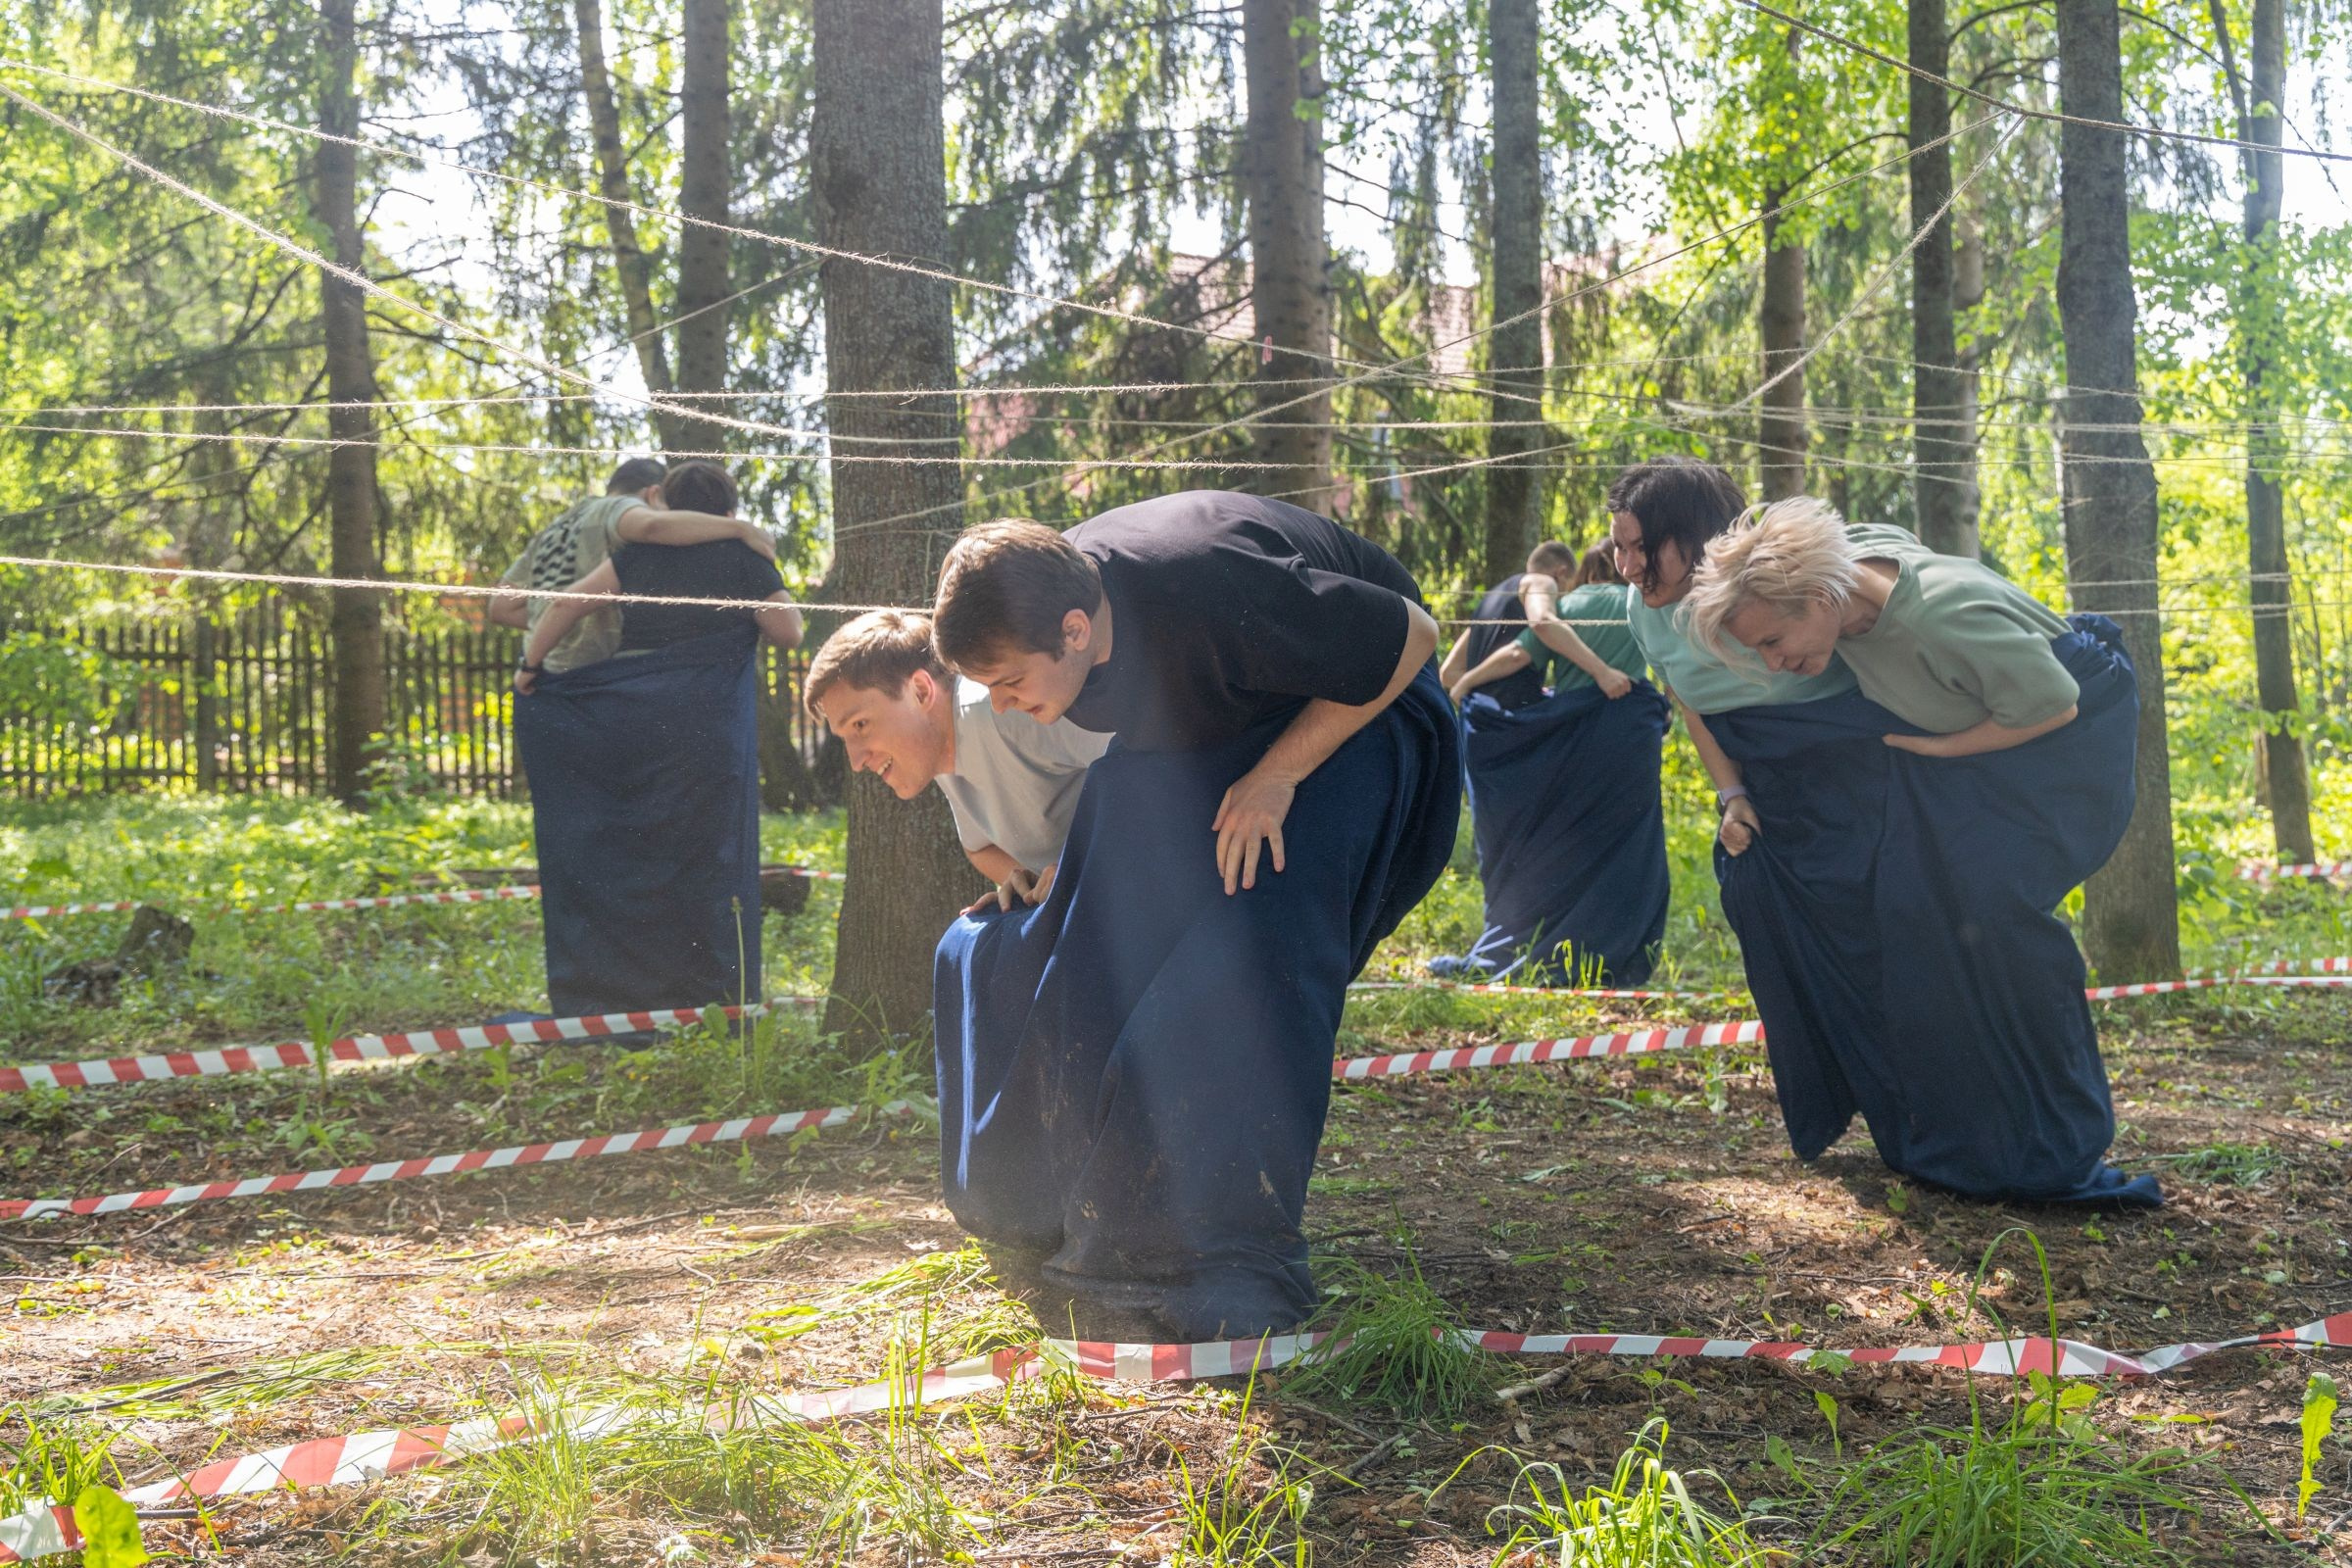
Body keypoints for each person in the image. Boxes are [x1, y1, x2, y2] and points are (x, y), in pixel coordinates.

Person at [926, 490, 1460, 1342]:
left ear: (1074, 630)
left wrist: (1279, 776)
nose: (999, 704)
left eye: (1010, 683)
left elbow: (1413, 638)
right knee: (1097, 917)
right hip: (1221, 730)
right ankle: (1044, 1197)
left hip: (1367, 711)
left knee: (1248, 953)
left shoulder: (1201, 585)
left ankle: (1215, 1254)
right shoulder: (1052, 608)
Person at [1607, 458, 2154, 1206]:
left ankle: (2052, 1144)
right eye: (1619, 549)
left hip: (2036, 749)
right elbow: (1710, 687)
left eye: (1643, 545)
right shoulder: (1822, 608)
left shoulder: (1925, 610)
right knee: (1908, 926)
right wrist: (1735, 793)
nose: (1773, 665)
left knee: (1986, 921)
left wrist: (1931, 753)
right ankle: (1948, 1135)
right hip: (1954, 740)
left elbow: (2049, 705)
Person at [508, 461, 801, 1020]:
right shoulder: (745, 557)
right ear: (731, 510)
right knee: (705, 853)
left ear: (666, 501)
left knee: (630, 848)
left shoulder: (640, 555)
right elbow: (788, 632)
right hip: (705, 729)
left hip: (632, 717)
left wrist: (530, 667)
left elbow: (568, 602)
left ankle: (618, 995)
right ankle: (705, 999)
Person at [1431, 542, 1670, 985]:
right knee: (1623, 847)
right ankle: (1613, 953)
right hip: (1630, 735)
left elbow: (1517, 652)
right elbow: (1673, 664)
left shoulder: (1538, 601)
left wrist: (1465, 686)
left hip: (1551, 739)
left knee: (1541, 847)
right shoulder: (1644, 606)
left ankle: (1513, 948)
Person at [804, 610, 1111, 914]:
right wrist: (1027, 882)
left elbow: (1149, 761)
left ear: (920, 692)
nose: (856, 762)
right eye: (845, 738)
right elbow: (979, 847)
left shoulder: (1003, 710)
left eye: (860, 725)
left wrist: (1083, 874)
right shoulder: (937, 746)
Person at [488, 457, 779, 672]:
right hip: (592, 670)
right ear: (653, 494)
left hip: (547, 669)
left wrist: (553, 626)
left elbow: (501, 607)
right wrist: (742, 530)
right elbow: (652, 526)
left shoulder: (554, 528)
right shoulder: (619, 508)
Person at [1436, 540, 1579, 711]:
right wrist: (1600, 671)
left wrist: (1483, 691)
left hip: (1478, 722)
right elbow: (1542, 622)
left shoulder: (1490, 599)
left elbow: (1448, 673)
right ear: (1561, 573)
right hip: (1512, 723)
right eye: (1569, 589)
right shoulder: (1542, 582)